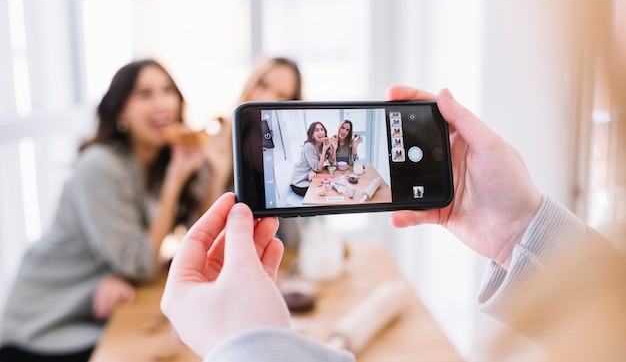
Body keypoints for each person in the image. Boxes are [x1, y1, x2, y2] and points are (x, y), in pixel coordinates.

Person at [160, 84, 626, 362]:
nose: (330, 132)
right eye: (323, 130)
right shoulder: (308, 147)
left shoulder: (343, 141)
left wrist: (250, 345)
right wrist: (520, 227)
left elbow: (344, 166)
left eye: (334, 129)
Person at [0, 59, 212, 362]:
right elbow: (139, 263)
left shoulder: (163, 160)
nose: (162, 102)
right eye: (145, 94)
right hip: (45, 328)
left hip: (102, 315)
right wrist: (173, 183)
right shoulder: (100, 166)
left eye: (168, 91)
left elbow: (199, 240)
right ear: (120, 111)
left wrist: (211, 173)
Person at [202, 56, 302, 207]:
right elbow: (200, 223)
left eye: (282, 96)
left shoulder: (289, 152)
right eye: (263, 85)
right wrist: (218, 175)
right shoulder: (214, 144)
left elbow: (298, 224)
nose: (267, 98)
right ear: (250, 83)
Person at [289, 121, 333, 196]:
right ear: (312, 135)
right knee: (325, 191)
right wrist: (324, 150)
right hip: (299, 183)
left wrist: (334, 148)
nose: (321, 132)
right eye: (317, 130)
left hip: (309, 179)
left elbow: (331, 163)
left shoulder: (322, 145)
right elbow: (318, 168)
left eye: (322, 129)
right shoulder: (309, 146)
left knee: (330, 185)